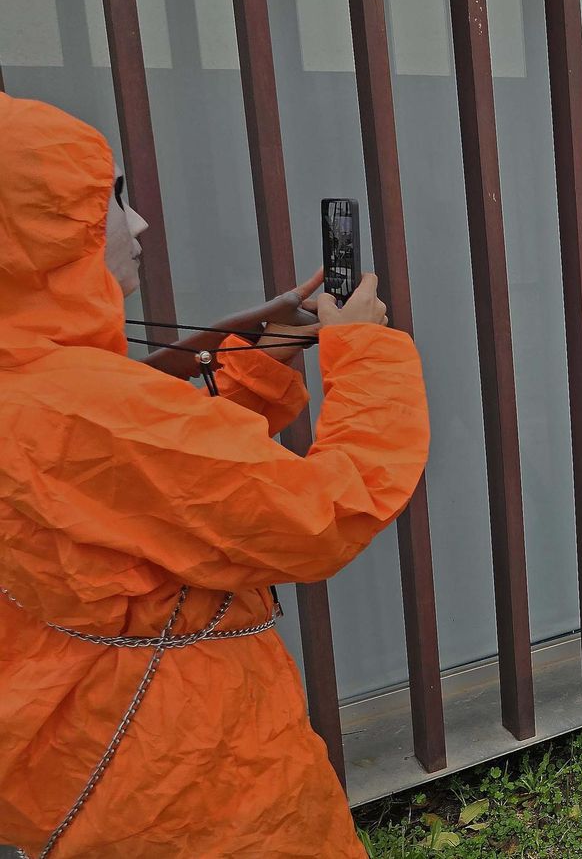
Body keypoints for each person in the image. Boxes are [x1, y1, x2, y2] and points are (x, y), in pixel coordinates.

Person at [0, 93, 429, 857]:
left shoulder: (32, 382)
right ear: (33, 233)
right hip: (194, 770)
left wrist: (263, 352)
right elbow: (316, 516)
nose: (135, 225)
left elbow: (139, 477)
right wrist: (365, 354)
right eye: (108, 200)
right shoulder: (84, 404)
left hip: (78, 737)